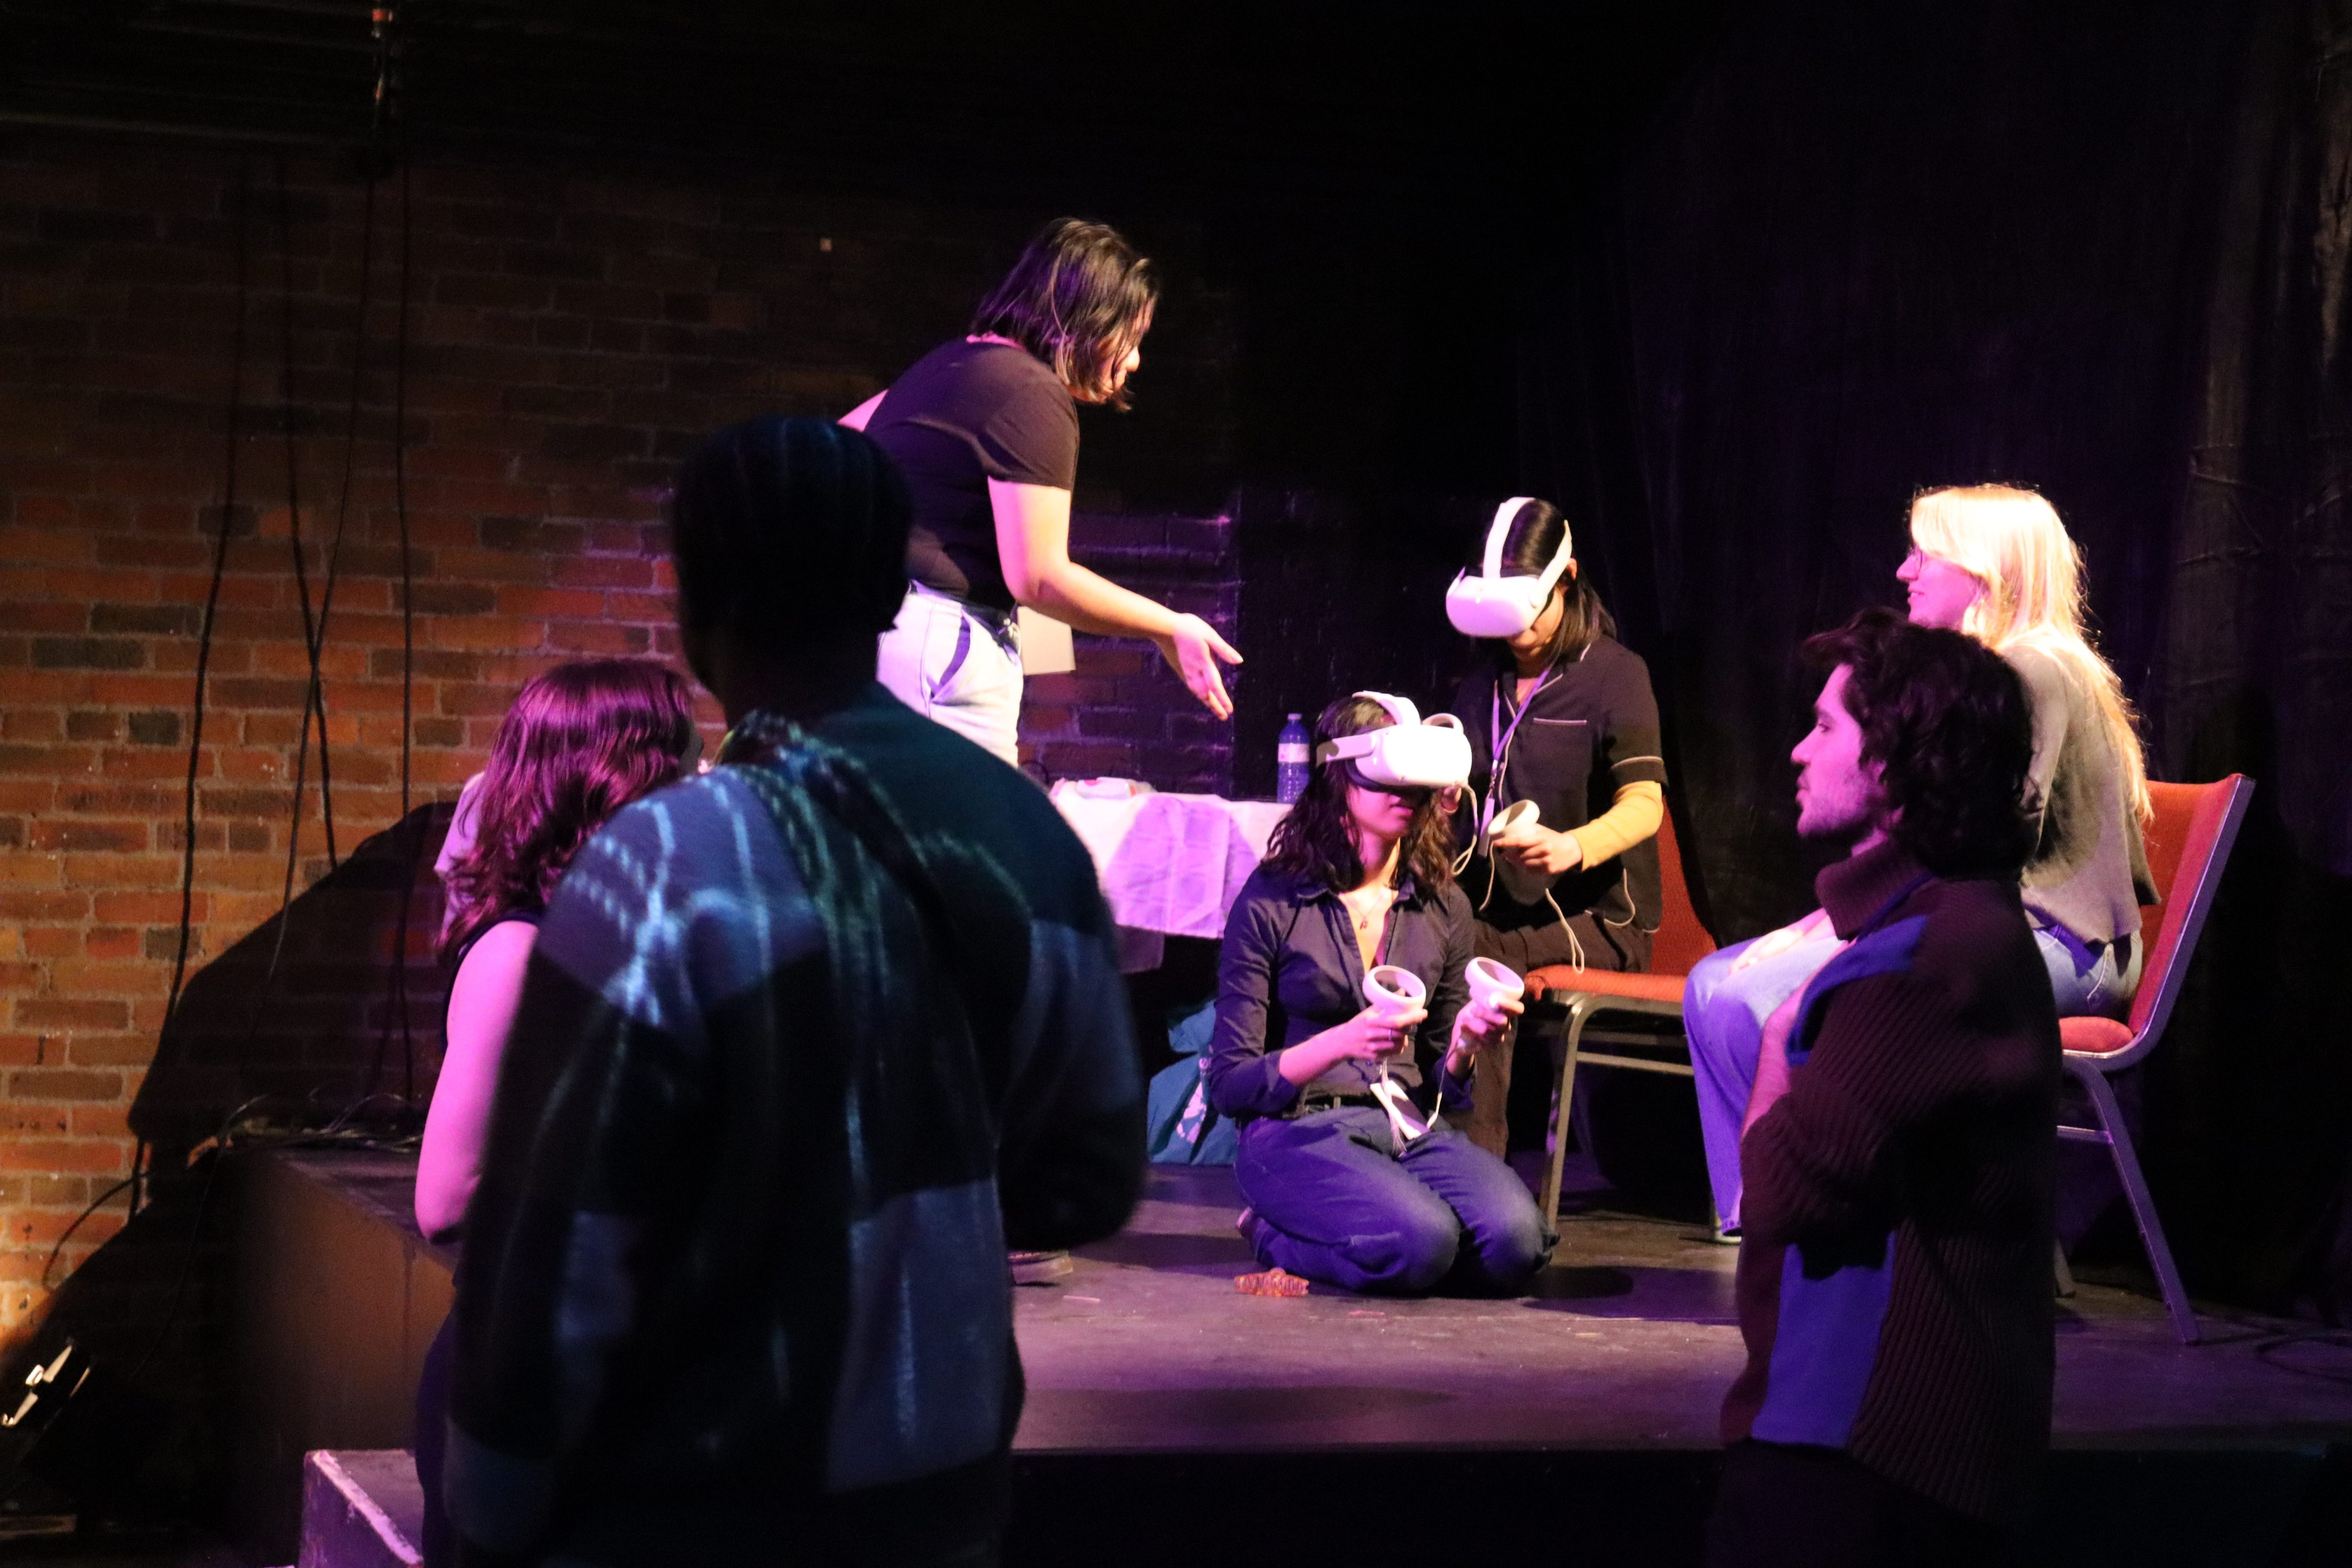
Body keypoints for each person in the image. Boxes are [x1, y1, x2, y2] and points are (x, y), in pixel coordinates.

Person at [439, 416, 1144, 1568]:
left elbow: (551, 1273)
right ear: (886, 595)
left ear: (697, 602)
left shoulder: (661, 864)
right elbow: (1090, 1181)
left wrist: (488, 1523)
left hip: (699, 1516)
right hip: (944, 1501)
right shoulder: (1031, 835)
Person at [1687, 484, 2154, 1234]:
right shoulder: (1987, 674)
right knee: (1714, 985)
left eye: (1925, 554)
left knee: (1771, 997)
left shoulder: (2033, 670)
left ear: (1986, 570)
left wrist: (1832, 940)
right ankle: (1760, 1213)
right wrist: (1814, 928)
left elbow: (1986, 845)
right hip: (1986, 921)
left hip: (2058, 944)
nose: (1906, 572)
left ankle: (1829, 1216)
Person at [1709, 608, 2057, 1568]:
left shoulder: (1923, 962)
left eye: (1824, 727)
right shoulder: (1955, 932)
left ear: (1896, 767)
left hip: (1863, 1458)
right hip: (1880, 1448)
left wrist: (1782, 1030)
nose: (1794, 749)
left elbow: (1778, 1192)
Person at [411, 659, 699, 1566]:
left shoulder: (618, 944)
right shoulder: (517, 953)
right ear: (621, 778)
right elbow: (446, 1199)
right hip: (523, 1383)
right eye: (685, 770)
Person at [842, 216, 1240, 765]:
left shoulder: (944, 365)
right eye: (1131, 338)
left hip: (875, 635)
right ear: (1086, 320)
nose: (1134, 360)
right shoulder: (1032, 392)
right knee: (958, 846)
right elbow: (1038, 577)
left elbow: (836, 443)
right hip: (937, 644)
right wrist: (1168, 627)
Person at [1205, 693, 1551, 1297]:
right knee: (1421, 1244)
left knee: (1514, 1245)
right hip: (1295, 1131)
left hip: (1408, 1126)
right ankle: (1272, 1233)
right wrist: (1343, 1040)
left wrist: (1468, 1042)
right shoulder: (1273, 901)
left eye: (1418, 783)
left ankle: (1394, 1243)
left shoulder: (1443, 905)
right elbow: (1231, 1084)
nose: (1404, 794)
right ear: (1339, 775)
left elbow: (1446, 1082)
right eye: (1388, 777)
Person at [1444, 496, 1668, 1156]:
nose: (1514, 635)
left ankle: (1475, 1158)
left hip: (1600, 921)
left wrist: (1573, 847)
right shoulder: (1482, 682)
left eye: (1525, 612)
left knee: (1477, 952)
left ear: (1566, 581)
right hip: (1497, 903)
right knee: (1416, 924)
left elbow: (1645, 804)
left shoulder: (1615, 676)